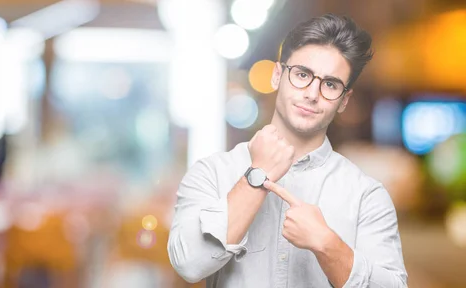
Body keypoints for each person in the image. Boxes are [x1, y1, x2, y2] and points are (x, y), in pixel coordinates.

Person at [167, 14, 407, 288]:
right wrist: (257, 175)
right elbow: (188, 264)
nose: (312, 94)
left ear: (343, 100)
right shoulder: (212, 172)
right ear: (277, 76)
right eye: (302, 75)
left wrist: (327, 244)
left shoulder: (366, 195)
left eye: (330, 84)